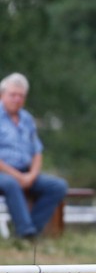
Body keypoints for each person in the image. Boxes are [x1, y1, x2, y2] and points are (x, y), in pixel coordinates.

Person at [0, 72, 68, 240]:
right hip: (4, 174)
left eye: (21, 96)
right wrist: (18, 177)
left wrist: (31, 175)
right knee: (11, 184)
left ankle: (31, 233)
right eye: (13, 95)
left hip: (25, 172)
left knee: (58, 186)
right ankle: (25, 231)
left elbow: (37, 151)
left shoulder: (27, 119)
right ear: (2, 94)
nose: (17, 99)